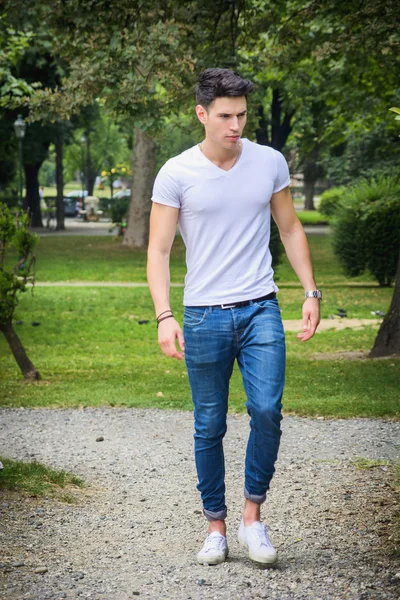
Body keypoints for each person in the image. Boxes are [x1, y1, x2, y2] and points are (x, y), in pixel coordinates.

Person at [147, 68, 321, 566]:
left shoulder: (268, 162)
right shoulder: (177, 172)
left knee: (266, 411)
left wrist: (311, 292)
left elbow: (289, 229)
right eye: (225, 116)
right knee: (209, 424)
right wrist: (163, 314)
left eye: (242, 115)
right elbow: (158, 251)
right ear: (201, 114)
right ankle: (216, 528)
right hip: (203, 315)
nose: (235, 125)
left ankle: (252, 519)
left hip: (261, 306)